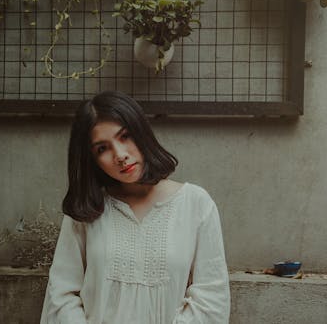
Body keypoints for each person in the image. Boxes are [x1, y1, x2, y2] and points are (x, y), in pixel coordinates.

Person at [40, 91, 230, 324]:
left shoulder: (196, 204)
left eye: (125, 136)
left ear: (141, 132)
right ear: (92, 159)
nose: (120, 155)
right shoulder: (86, 211)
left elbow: (212, 299)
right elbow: (61, 295)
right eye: (102, 148)